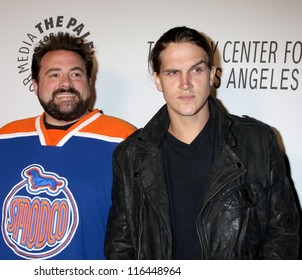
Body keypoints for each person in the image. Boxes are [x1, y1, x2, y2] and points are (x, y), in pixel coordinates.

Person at [0, 32, 136, 260]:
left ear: (89, 82)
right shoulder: (2, 142)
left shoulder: (127, 141)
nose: (66, 84)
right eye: (54, 75)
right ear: (35, 84)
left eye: (76, 74)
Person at [104, 26, 300, 260]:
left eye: (195, 70)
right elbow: (120, 246)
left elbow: (284, 234)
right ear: (157, 80)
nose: (185, 84)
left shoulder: (258, 143)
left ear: (211, 74)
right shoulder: (130, 155)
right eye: (172, 73)